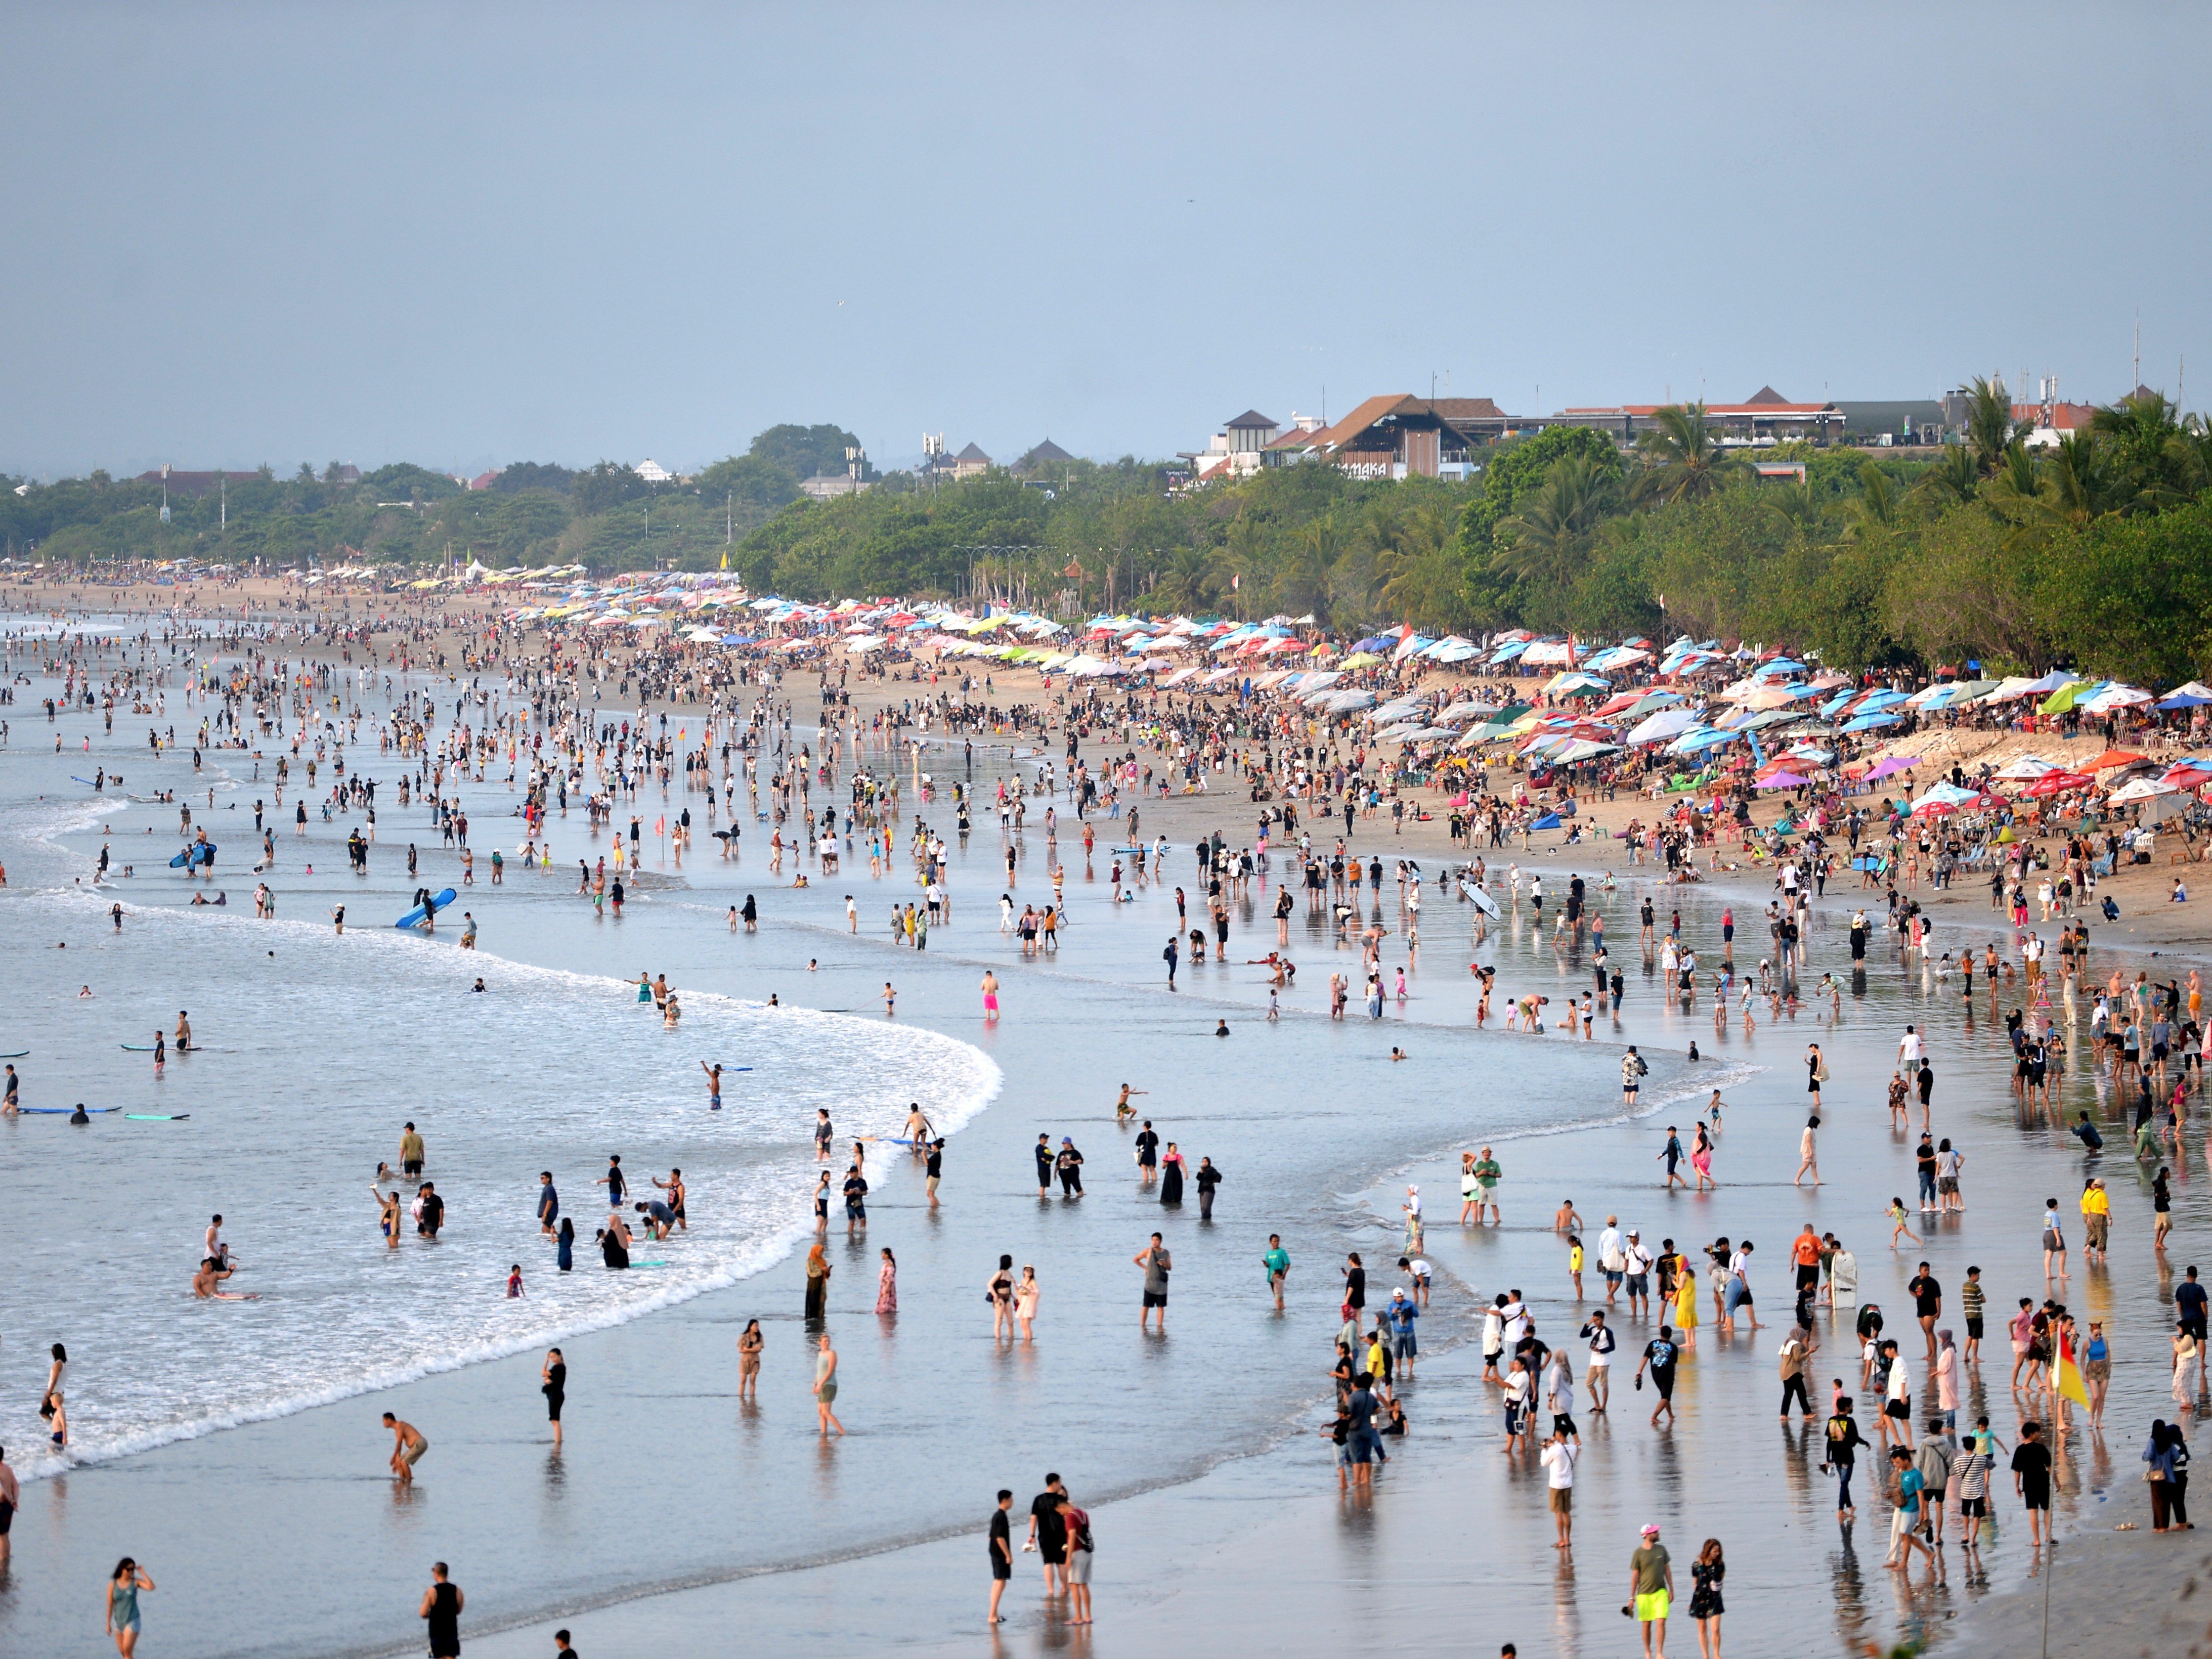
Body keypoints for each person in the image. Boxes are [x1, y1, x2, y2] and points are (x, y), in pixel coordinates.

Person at [1629, 1523, 1673, 1659]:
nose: (1658, 1534)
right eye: (1655, 1532)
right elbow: (1635, 1575)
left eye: (1657, 1531)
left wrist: (1671, 1589)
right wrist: (1632, 1597)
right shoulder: (1638, 1553)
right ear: (1647, 1535)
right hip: (1644, 1594)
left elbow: (1667, 1570)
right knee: (1647, 1624)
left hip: (1661, 1592)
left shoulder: (1662, 1550)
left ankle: (1660, 1653)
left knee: (1661, 1621)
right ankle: (1648, 1652)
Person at [2012, 1420, 2053, 1545]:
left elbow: (2017, 1471)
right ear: (2031, 1434)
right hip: (2043, 1481)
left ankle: (2037, 1539)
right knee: (2047, 1509)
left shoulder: (2020, 1450)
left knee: (2033, 1511)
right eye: (2037, 1433)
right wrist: (2056, 1481)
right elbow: (2050, 1467)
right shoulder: (2041, 1448)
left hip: (2028, 1483)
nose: (2039, 1435)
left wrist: (2017, 1486)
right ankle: (2048, 1536)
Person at [106, 1557, 155, 1657]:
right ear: (122, 1569)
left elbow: (151, 1587)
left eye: (133, 1569)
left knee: (127, 1650)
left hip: (132, 1620)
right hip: (118, 1622)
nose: (131, 1572)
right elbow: (110, 1605)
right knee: (124, 1653)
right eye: (129, 1569)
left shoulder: (135, 1582)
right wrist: (108, 1624)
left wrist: (143, 1573)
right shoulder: (113, 1585)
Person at [1028, 1474, 1070, 1590]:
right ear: (1055, 1483)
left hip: (1044, 1534)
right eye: (1060, 1482)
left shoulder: (1038, 1499)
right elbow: (1068, 1517)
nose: (1061, 1485)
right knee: (1061, 1563)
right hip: (1060, 1534)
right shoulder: (1061, 1499)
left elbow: (1033, 1518)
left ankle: (1051, 1590)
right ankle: (1065, 1587)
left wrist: (1032, 1535)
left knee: (1048, 1563)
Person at [1057, 1495, 1094, 1625]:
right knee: (1084, 1585)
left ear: (1063, 1507)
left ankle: (1078, 1617)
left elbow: (1072, 1536)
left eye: (1060, 1511)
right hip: (1087, 1552)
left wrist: (1068, 1558)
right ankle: (1088, 1616)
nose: (1061, 1514)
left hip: (1078, 1553)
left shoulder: (1070, 1516)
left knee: (1074, 1585)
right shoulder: (1082, 1514)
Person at [1540, 1422, 1577, 1550]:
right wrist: (1553, 1444)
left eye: (1556, 1433)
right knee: (1567, 1512)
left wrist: (1545, 1449)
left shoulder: (1555, 1449)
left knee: (1558, 1513)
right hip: (1568, 1483)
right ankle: (1568, 1539)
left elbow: (1544, 1463)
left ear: (1559, 1434)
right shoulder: (1573, 1448)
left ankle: (1561, 1539)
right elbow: (1562, 1449)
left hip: (1556, 1485)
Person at [1688, 1538, 1724, 1659]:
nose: (1717, 1553)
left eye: (1718, 1551)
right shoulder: (1697, 1565)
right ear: (1708, 1551)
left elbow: (1721, 1580)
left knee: (1715, 1629)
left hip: (1715, 1600)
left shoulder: (1720, 1565)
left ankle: (1717, 1655)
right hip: (1700, 1599)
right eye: (1715, 1551)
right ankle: (1705, 1656)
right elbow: (1695, 1583)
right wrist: (1692, 1602)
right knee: (1702, 1628)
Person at [419, 1561, 463, 1659]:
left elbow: (423, 1613)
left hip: (437, 1635)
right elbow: (459, 1610)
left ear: (436, 1573)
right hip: (452, 1634)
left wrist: (431, 1614)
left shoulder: (431, 1591)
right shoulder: (457, 1590)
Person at [1637, 1326, 1679, 1426]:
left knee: (1664, 1395)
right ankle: (1654, 1417)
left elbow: (1645, 1358)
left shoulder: (1653, 1344)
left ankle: (1671, 1416)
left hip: (1655, 1374)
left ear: (1661, 1334)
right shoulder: (1673, 1348)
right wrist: (1674, 1377)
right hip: (1667, 1374)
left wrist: (1640, 1371)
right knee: (1666, 1396)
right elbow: (1673, 1364)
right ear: (1671, 1335)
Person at [988, 1490, 1016, 1624]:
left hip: (995, 1553)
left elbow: (990, 1536)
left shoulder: (996, 1516)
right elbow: (999, 1538)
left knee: (999, 1582)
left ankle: (994, 1613)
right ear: (1005, 1500)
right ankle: (992, 1615)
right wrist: (1008, 1555)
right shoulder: (1001, 1517)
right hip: (999, 1554)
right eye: (1011, 1500)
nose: (1013, 1502)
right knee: (1000, 1582)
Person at [1137, 1233, 1172, 1332]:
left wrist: (1164, 1264)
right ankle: (1143, 1326)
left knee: (1161, 1307)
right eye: (1153, 1240)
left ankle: (1160, 1328)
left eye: (1156, 1240)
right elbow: (1136, 1259)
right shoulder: (1148, 1252)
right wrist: (1146, 1268)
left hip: (1162, 1285)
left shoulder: (1166, 1253)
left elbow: (1170, 1267)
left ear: (1160, 1241)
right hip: (1150, 1284)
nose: (1154, 1242)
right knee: (1146, 1306)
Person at [383, 1412, 428, 1482]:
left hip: (420, 1443)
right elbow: (399, 1448)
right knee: (399, 1463)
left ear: (389, 1420)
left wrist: (394, 1457)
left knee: (404, 1463)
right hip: (415, 1446)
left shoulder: (399, 1425)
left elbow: (399, 1443)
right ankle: (402, 1482)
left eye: (384, 1421)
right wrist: (397, 1462)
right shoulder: (397, 1429)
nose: (383, 1423)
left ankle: (409, 1483)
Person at [813, 1330, 843, 1437]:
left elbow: (830, 1371)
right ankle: (824, 1434)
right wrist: (815, 1384)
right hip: (821, 1384)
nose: (827, 1343)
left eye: (828, 1341)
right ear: (820, 1343)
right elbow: (820, 1371)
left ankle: (842, 1432)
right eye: (825, 1341)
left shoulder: (831, 1354)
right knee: (821, 1412)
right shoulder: (820, 1354)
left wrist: (821, 1384)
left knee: (826, 1412)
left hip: (829, 1384)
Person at [541, 1348, 566, 1447]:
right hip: (555, 1394)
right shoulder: (559, 1368)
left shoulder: (559, 1367)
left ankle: (558, 1443)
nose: (553, 1359)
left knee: (555, 1420)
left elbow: (544, 1373)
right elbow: (547, 1379)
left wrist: (546, 1362)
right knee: (554, 1420)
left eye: (554, 1357)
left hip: (556, 1395)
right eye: (551, 1358)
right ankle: (558, 1442)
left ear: (560, 1355)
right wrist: (546, 1381)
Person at [1264, 1235, 1291, 1311]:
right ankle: (1280, 1309)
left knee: (1279, 1295)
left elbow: (1288, 1264)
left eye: (1278, 1241)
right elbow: (1268, 1265)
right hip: (1271, 1277)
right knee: (1276, 1294)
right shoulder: (1269, 1253)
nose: (1276, 1243)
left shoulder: (1282, 1252)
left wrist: (1284, 1275)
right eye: (1274, 1241)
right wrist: (1266, 1264)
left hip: (1279, 1277)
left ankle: (1280, 1309)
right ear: (1270, 1242)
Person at [738, 1319, 763, 1401]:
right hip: (745, 1360)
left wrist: (748, 1350)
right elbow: (741, 1350)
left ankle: (752, 1398)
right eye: (756, 1326)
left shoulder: (759, 1337)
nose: (757, 1328)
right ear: (750, 1327)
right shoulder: (744, 1336)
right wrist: (751, 1349)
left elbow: (759, 1349)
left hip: (755, 1360)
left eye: (758, 1326)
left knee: (753, 1380)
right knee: (743, 1380)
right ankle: (741, 1397)